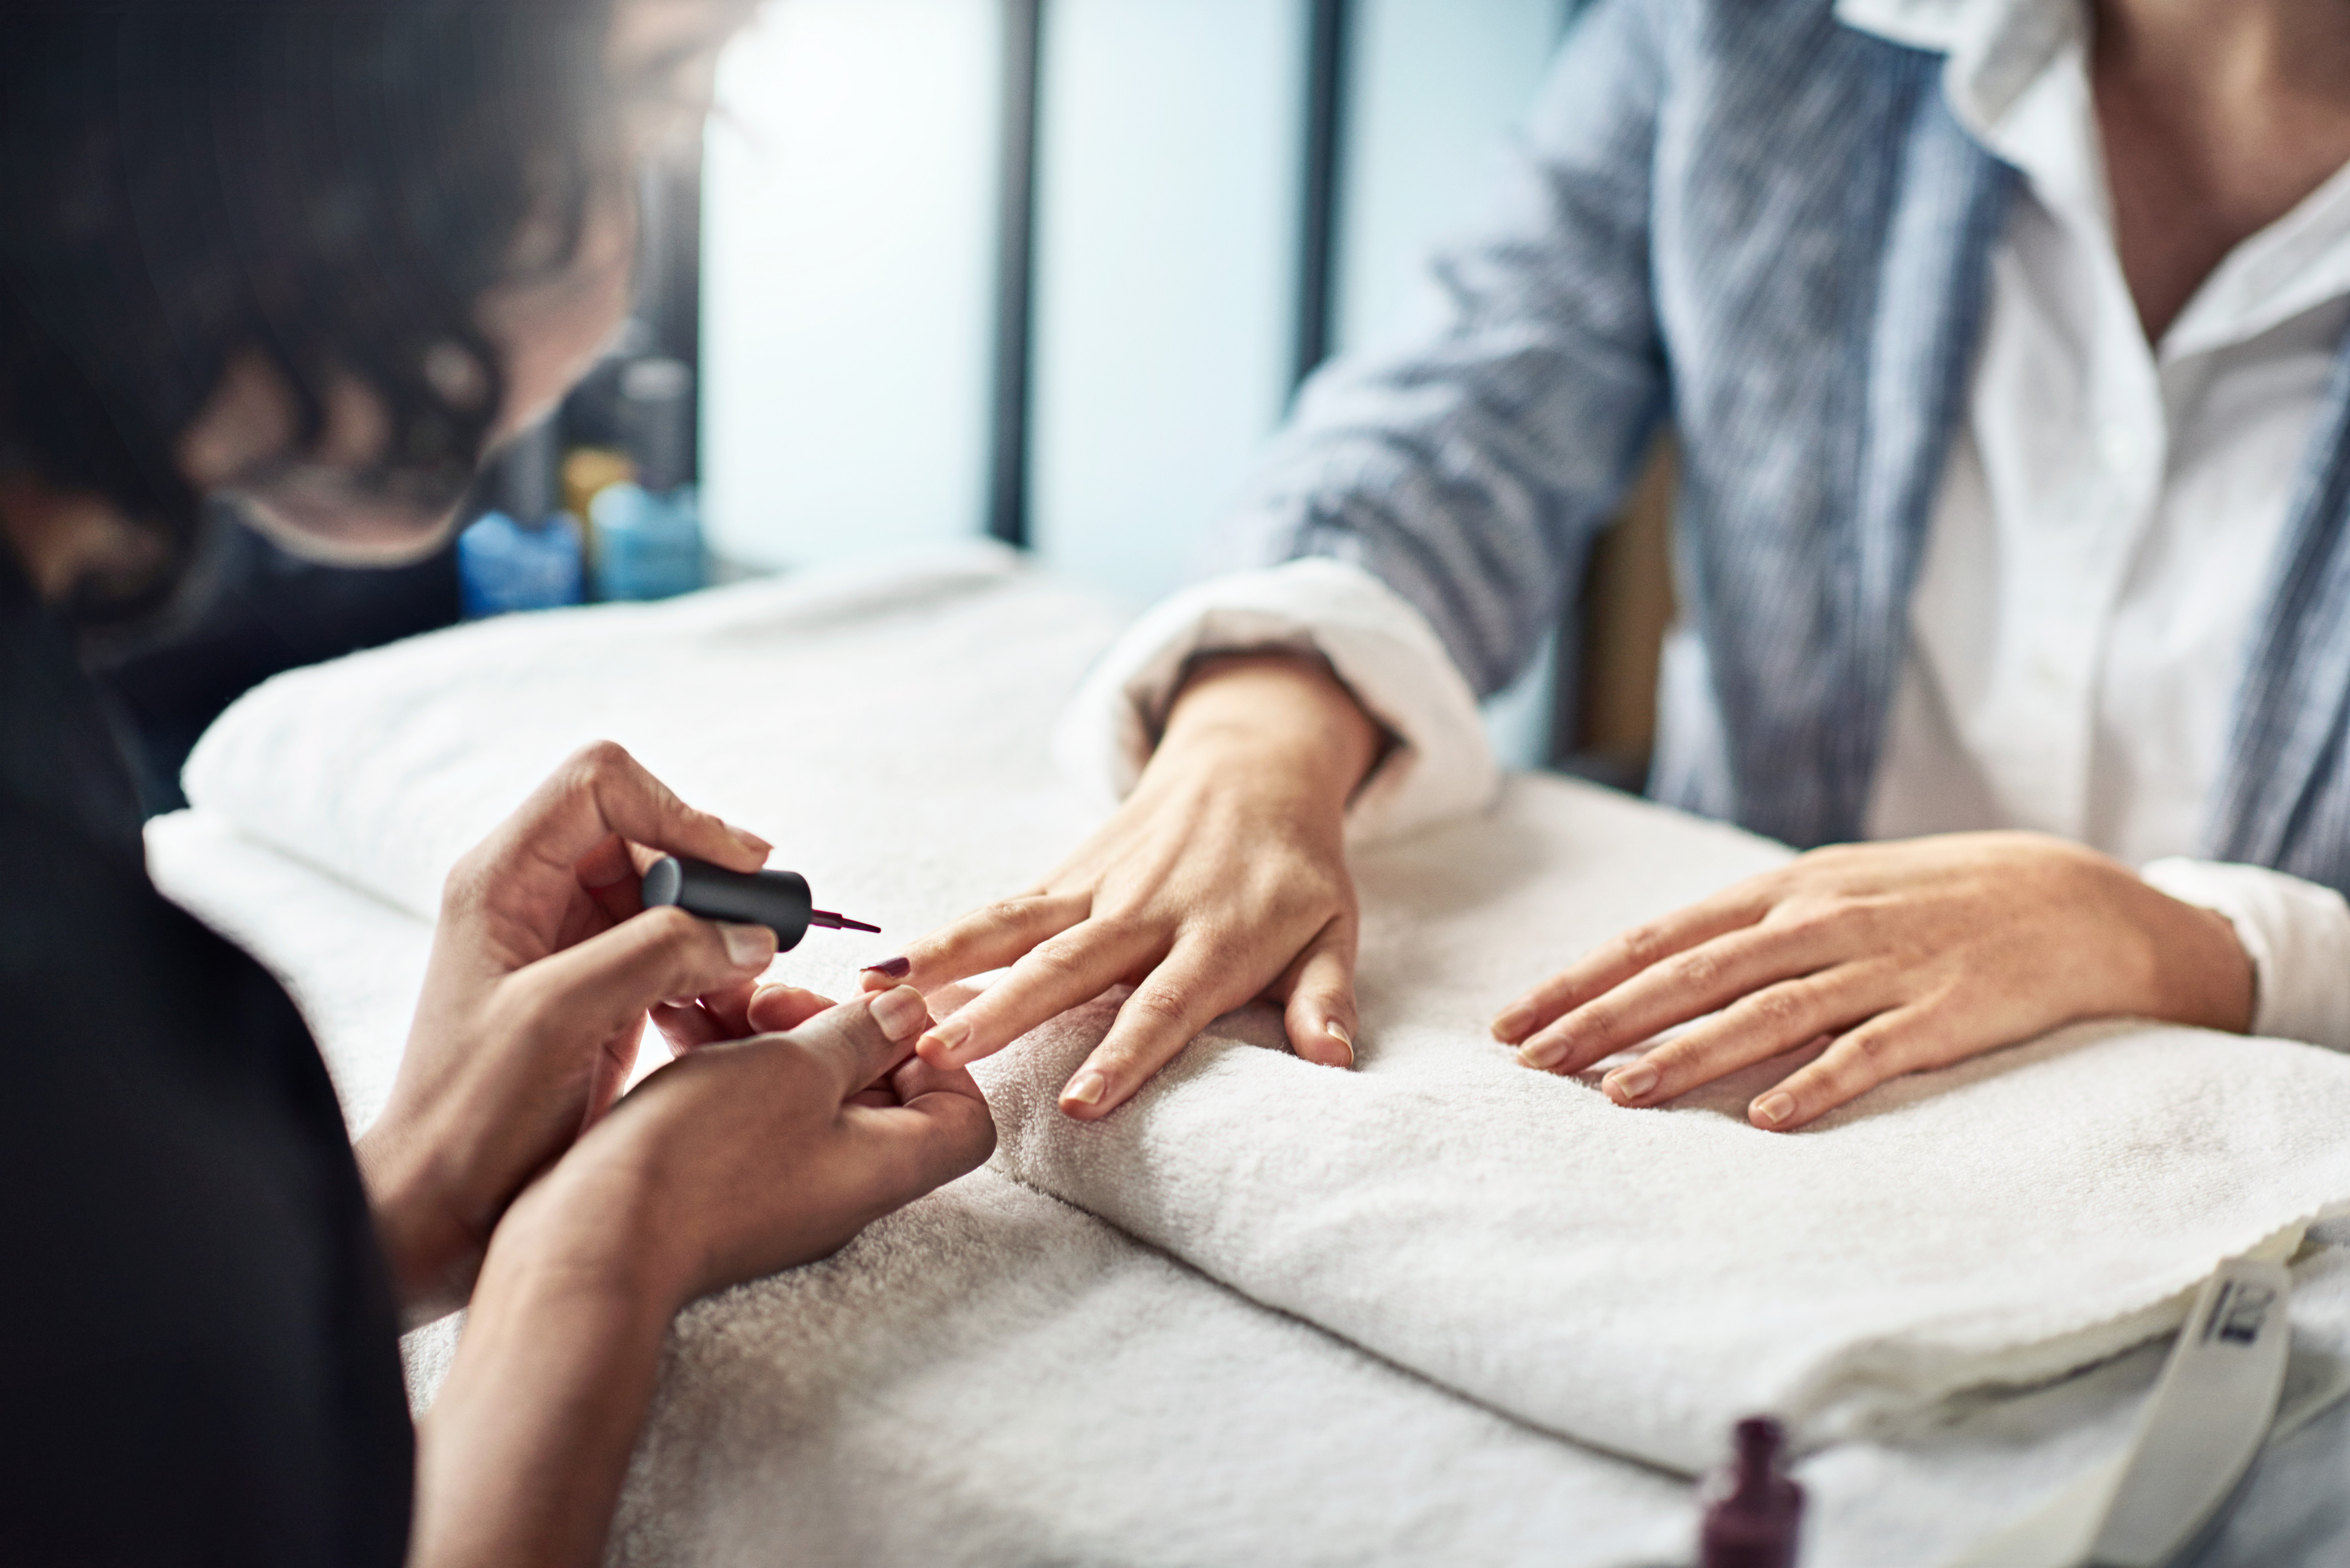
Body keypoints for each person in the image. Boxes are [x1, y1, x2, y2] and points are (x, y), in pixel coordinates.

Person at [868, 0, 2350, 1132]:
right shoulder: (1746, 33)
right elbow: (1470, 399)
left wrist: (2190, 944)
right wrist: (1260, 729)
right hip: (1758, 1119)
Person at [0, 4, 993, 1564]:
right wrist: (603, 1249)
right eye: (655, 105)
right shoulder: (75, 1026)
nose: (622, 289)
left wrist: (423, 1198)